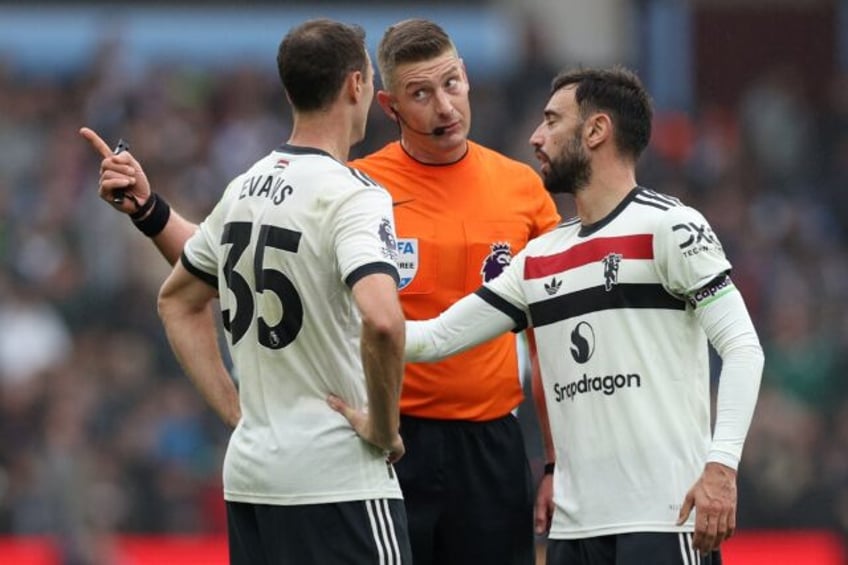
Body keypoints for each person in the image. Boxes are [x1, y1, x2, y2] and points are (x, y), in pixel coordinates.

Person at [81, 18, 559, 565]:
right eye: (421, 93)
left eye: (451, 84)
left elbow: (547, 330)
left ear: (468, 78)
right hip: (381, 432)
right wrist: (151, 213)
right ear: (383, 102)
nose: (444, 107)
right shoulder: (358, 189)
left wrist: (552, 459)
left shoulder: (521, 189)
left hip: (488, 442)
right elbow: (250, 263)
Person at [396, 66, 764, 565]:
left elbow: (743, 348)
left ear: (596, 131)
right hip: (574, 532)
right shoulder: (538, 257)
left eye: (552, 121)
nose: (535, 136)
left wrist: (721, 468)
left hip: (664, 519)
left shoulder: (670, 227)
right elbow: (433, 339)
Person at [88, 19, 411, 565]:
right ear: (357, 86)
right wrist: (383, 426)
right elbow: (383, 320)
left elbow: (180, 295)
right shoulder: (354, 196)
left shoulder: (246, 187)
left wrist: (238, 414)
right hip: (337, 479)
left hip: (252, 478)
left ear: (289, 92)